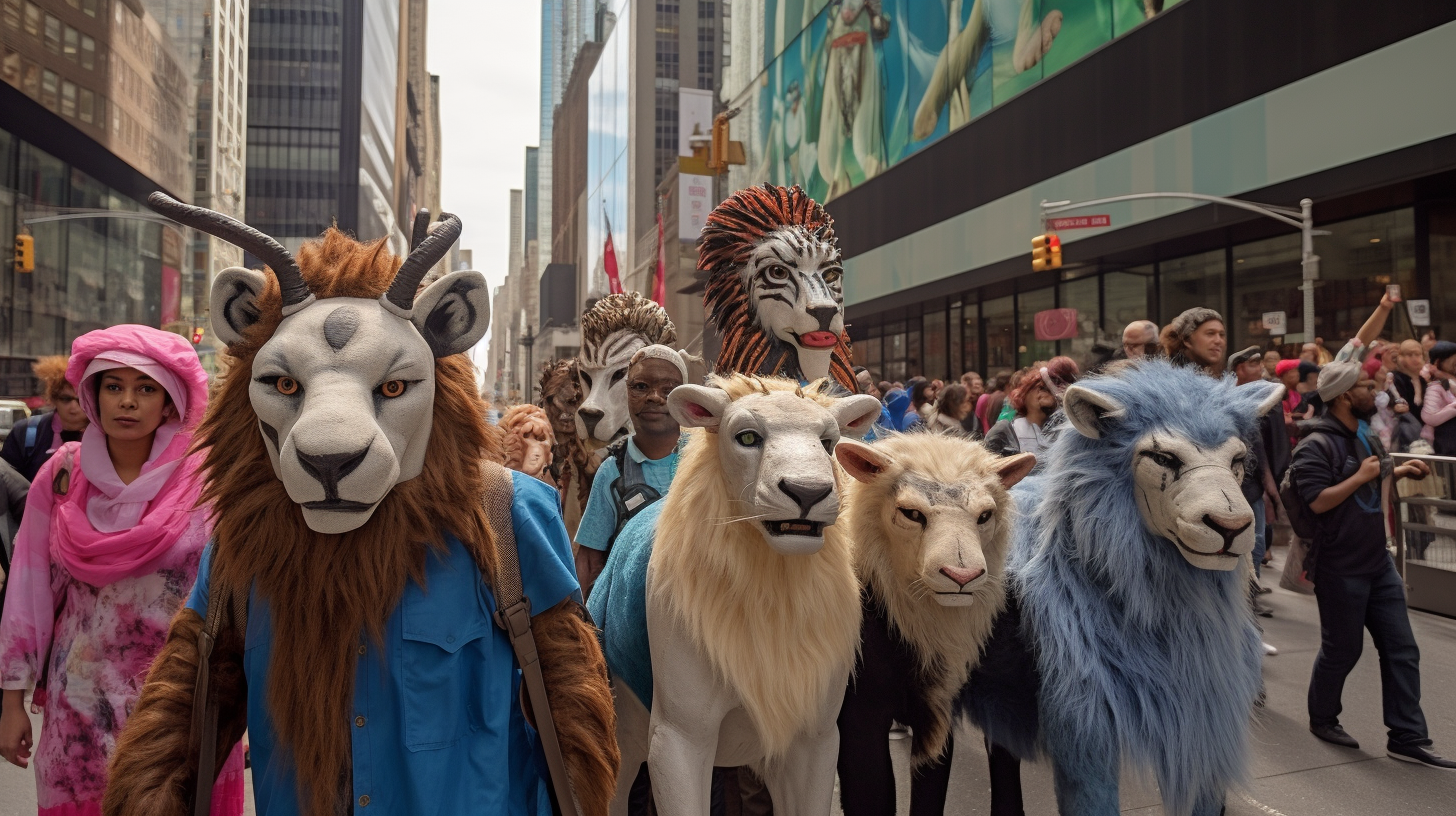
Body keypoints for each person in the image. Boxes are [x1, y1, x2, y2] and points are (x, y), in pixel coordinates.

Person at [0, 325, 245, 815]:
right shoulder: (64, 474)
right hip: (80, 703)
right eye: (114, 387)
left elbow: (238, 596)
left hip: (181, 703)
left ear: (170, 401)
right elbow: (27, 593)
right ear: (94, 395)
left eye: (145, 388)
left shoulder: (209, 478)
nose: (127, 402)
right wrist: (10, 702)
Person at [1291, 360, 1455, 768]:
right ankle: (1323, 718)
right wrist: (1360, 478)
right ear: (1346, 395)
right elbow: (1316, 501)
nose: (1376, 392)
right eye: (1367, 386)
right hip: (1338, 565)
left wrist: (1398, 471)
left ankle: (1407, 736)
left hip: (1376, 562)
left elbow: (1373, 476)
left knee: (1401, 649)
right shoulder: (1315, 445)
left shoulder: (1366, 434)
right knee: (1342, 650)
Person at [574, 345, 689, 597]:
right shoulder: (612, 472)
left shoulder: (706, 460)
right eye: (641, 387)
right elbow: (590, 559)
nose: (654, 397)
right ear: (627, 393)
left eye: (668, 390)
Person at [1, 357, 88, 482]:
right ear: (53, 398)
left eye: (81, 400)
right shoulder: (26, 432)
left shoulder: (106, 435)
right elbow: (8, 483)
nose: (73, 407)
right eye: (65, 399)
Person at [985, 358, 1077, 458]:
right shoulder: (1003, 430)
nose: (1041, 394)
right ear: (1027, 390)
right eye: (1040, 387)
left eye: (1048, 390)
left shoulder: (1062, 433)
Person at [1161, 308, 1226, 375]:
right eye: (1210, 333)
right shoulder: (1166, 380)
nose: (1218, 340)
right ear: (1187, 340)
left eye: (1222, 335)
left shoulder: (1226, 379)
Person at [1421, 341, 1456, 456]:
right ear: (1438, 362)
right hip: (1445, 441)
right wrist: (1452, 409)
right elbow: (1429, 416)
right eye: (1454, 363)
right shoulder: (1435, 386)